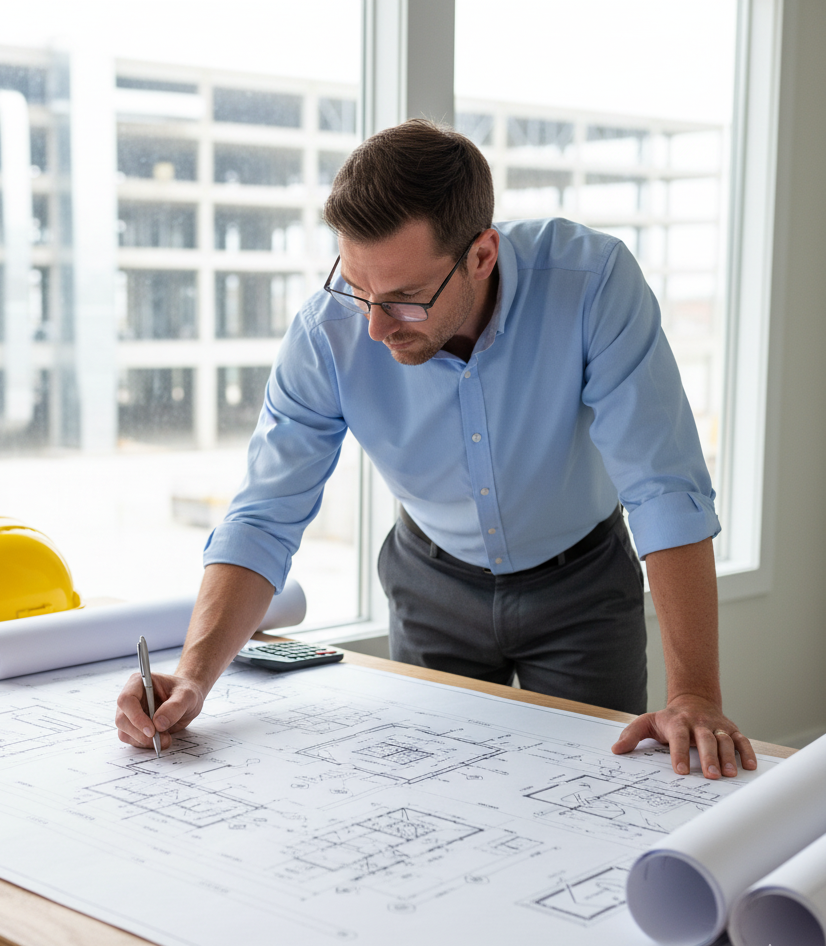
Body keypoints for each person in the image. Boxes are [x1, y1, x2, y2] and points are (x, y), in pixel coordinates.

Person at [116, 119, 757, 781]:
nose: (373, 326)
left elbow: (663, 488)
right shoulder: (326, 334)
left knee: (588, 792)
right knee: (435, 793)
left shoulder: (592, 283)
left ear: (482, 255)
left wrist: (695, 697)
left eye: (405, 299)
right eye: (357, 287)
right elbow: (262, 518)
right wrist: (193, 679)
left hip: (582, 588)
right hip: (431, 584)